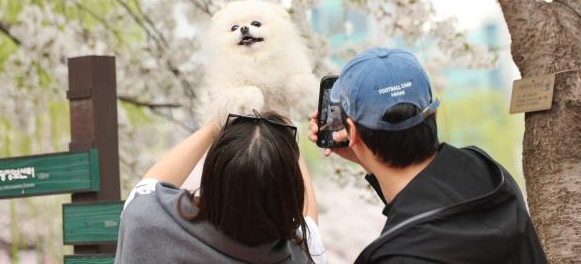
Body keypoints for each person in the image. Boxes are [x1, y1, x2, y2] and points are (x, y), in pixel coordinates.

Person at [308, 47, 547, 263]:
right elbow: (430, 209)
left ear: (352, 131)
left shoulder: (395, 255)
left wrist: (365, 152)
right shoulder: (489, 173)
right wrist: (363, 155)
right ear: (433, 114)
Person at [116, 111, 328, 264]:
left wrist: (216, 122)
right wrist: (286, 136)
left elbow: (147, 186)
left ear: (212, 174)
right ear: (290, 194)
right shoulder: (301, 254)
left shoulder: (149, 224)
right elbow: (310, 223)